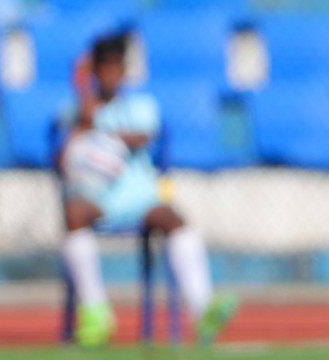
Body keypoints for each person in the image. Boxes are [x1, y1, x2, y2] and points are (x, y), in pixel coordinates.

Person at [59, 32, 238, 347]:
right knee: (72, 213)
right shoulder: (76, 111)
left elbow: (141, 137)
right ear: (95, 72)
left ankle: (202, 309)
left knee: (174, 219)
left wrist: (95, 122)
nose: (111, 75)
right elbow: (63, 158)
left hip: (138, 196)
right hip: (97, 199)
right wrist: (81, 104)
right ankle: (95, 312)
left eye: (117, 68)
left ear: (124, 72)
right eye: (103, 69)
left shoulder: (141, 105)